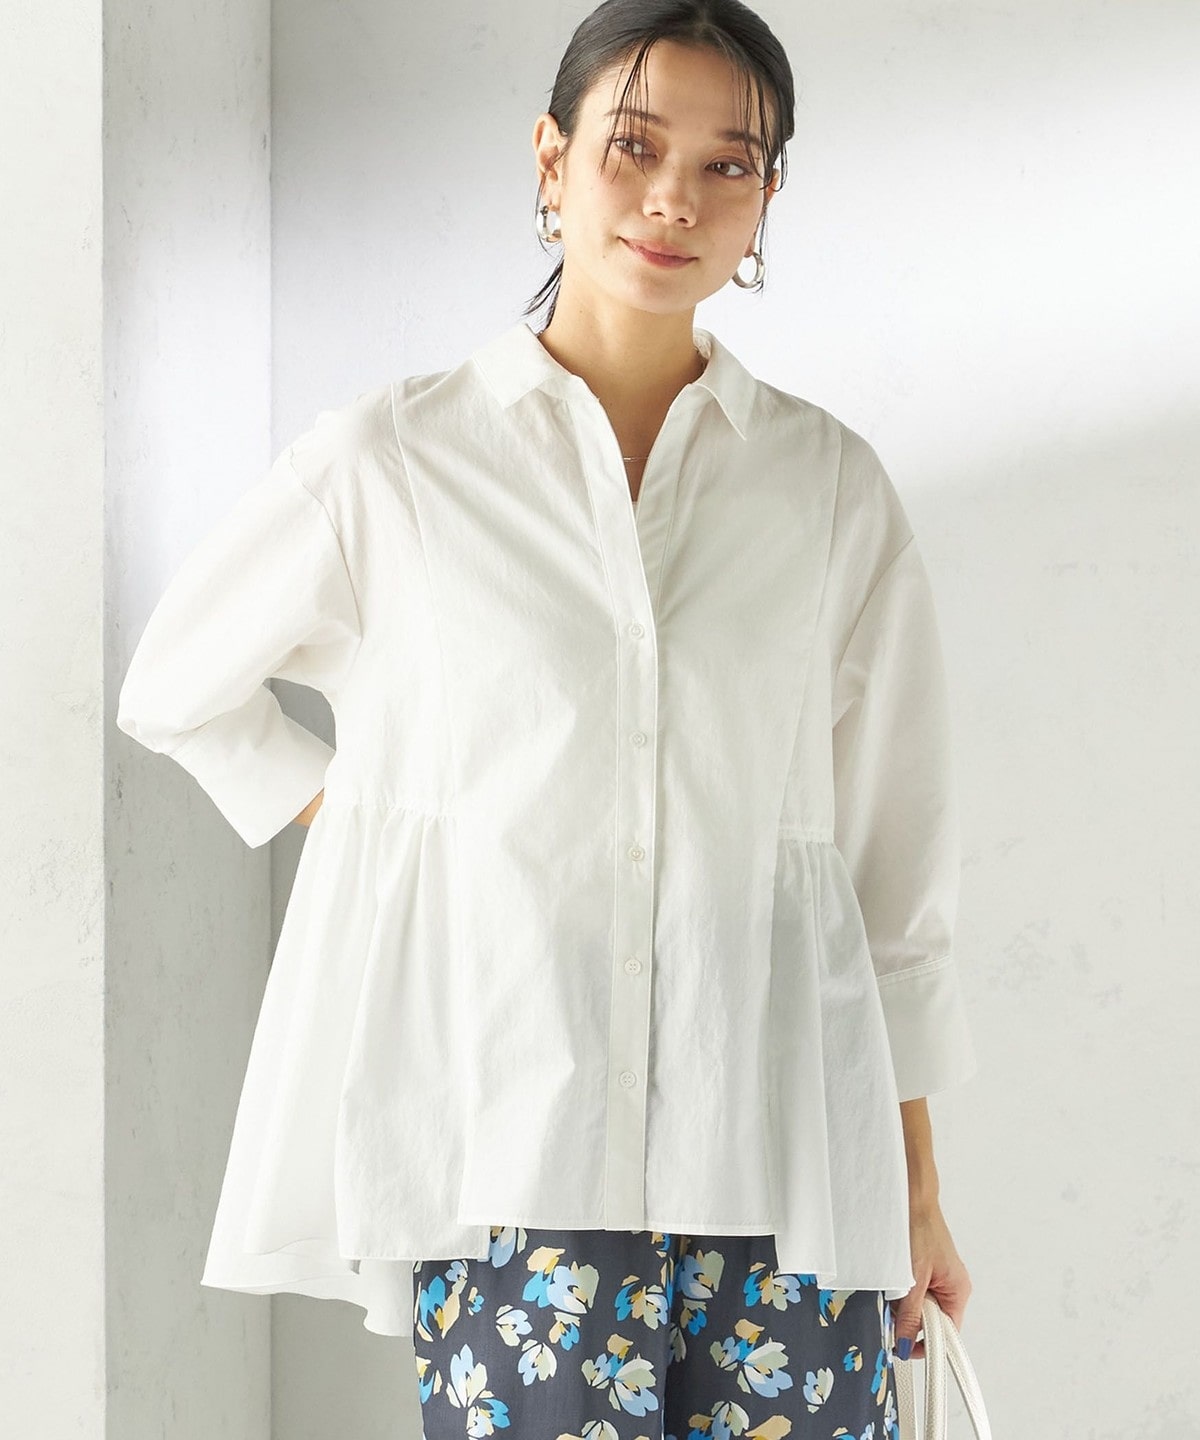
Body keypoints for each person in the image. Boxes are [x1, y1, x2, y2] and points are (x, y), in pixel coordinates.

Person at [115, 1, 980, 1435]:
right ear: (551, 157)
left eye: (728, 163)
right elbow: (176, 687)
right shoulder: (397, 460)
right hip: (510, 1155)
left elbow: (891, 882)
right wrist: (365, 817)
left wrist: (920, 1188)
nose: (674, 197)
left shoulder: (827, 487)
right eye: (633, 145)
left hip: (786, 1159)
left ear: (768, 194)